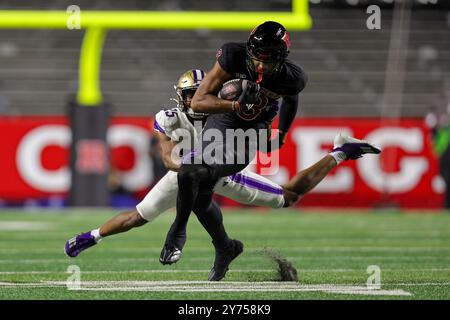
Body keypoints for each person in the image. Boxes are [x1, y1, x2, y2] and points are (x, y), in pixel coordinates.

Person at [64, 69, 381, 273]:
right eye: (189, 94)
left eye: (198, 93)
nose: (193, 100)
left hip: (225, 171)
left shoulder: (228, 110)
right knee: (138, 216)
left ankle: (340, 151)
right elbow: (164, 144)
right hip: (185, 173)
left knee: (288, 197)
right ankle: (90, 236)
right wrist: (175, 160)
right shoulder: (173, 115)